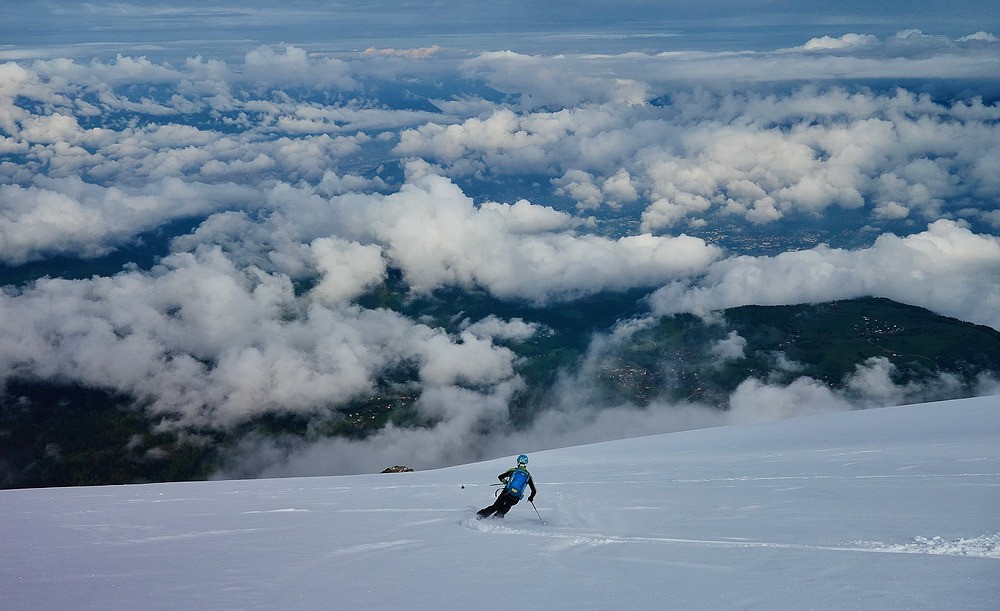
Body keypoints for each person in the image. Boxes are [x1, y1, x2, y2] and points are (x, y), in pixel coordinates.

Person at [476, 454, 536, 519]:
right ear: (526, 464)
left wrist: (506, 482)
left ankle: (480, 516)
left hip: (506, 493)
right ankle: (496, 520)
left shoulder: (513, 470)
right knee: (506, 507)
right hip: (516, 497)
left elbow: (500, 477)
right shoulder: (528, 476)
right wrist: (531, 497)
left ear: (518, 462)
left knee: (496, 506)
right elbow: (534, 490)